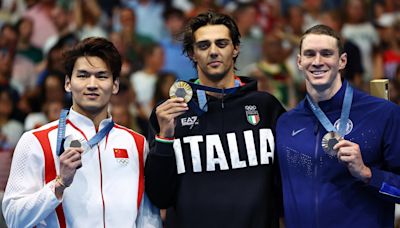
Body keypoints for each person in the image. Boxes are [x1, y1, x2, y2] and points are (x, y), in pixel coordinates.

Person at [145, 11, 285, 227]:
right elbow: (159, 196)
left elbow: (285, 186)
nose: (213, 52)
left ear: (235, 48)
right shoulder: (169, 114)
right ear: (192, 53)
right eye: (203, 45)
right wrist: (165, 139)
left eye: (221, 43)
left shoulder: (267, 107)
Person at [2, 37, 161, 228]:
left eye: (102, 76)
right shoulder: (36, 141)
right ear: (68, 83)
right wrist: (59, 184)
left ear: (115, 85)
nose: (92, 84)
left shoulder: (136, 143)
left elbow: (148, 218)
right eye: (83, 75)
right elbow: (13, 219)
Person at [276, 24, 400, 228]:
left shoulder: (383, 114)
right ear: (299, 61)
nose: (317, 62)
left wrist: (368, 174)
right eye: (309, 54)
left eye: (326, 54)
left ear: (342, 61)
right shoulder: (286, 123)